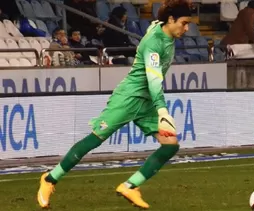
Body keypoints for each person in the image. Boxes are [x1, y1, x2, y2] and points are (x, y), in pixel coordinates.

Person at [37, 0, 192, 209]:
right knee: (94, 139)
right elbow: (154, 81)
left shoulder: (164, 29)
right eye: (184, 23)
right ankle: (49, 179)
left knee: (170, 145)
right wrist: (163, 110)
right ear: (171, 20)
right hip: (129, 98)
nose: (187, 28)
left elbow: (160, 19)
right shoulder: (154, 43)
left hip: (145, 102)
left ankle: (130, 185)